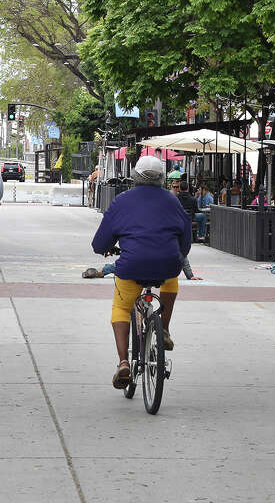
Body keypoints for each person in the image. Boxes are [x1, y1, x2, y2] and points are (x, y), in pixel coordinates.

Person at [91, 155, 191, 389]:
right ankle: (164, 328)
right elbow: (186, 242)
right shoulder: (172, 200)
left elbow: (99, 244)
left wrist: (108, 249)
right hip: (167, 264)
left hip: (132, 265)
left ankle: (124, 362)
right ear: (162, 178)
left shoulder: (122, 200)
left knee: (121, 308)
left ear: (135, 176)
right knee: (170, 279)